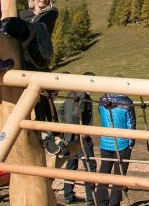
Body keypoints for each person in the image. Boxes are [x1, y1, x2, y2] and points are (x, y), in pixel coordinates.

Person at [1, 0, 58, 72]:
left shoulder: (52, 13)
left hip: (40, 55)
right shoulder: (23, 15)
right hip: (23, 59)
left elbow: (40, 23)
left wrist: (20, 26)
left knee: (30, 27)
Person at [60, 73, 97, 206]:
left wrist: (67, 126)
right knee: (90, 166)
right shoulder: (83, 95)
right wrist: (80, 130)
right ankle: (91, 199)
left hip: (70, 136)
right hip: (81, 137)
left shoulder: (71, 93)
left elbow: (61, 111)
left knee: (71, 165)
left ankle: (68, 195)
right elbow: (77, 113)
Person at [96, 90, 135, 206]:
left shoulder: (102, 101)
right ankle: (114, 203)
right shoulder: (127, 103)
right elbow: (131, 123)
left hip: (105, 142)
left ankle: (101, 201)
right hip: (122, 144)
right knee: (119, 176)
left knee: (104, 172)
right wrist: (131, 142)